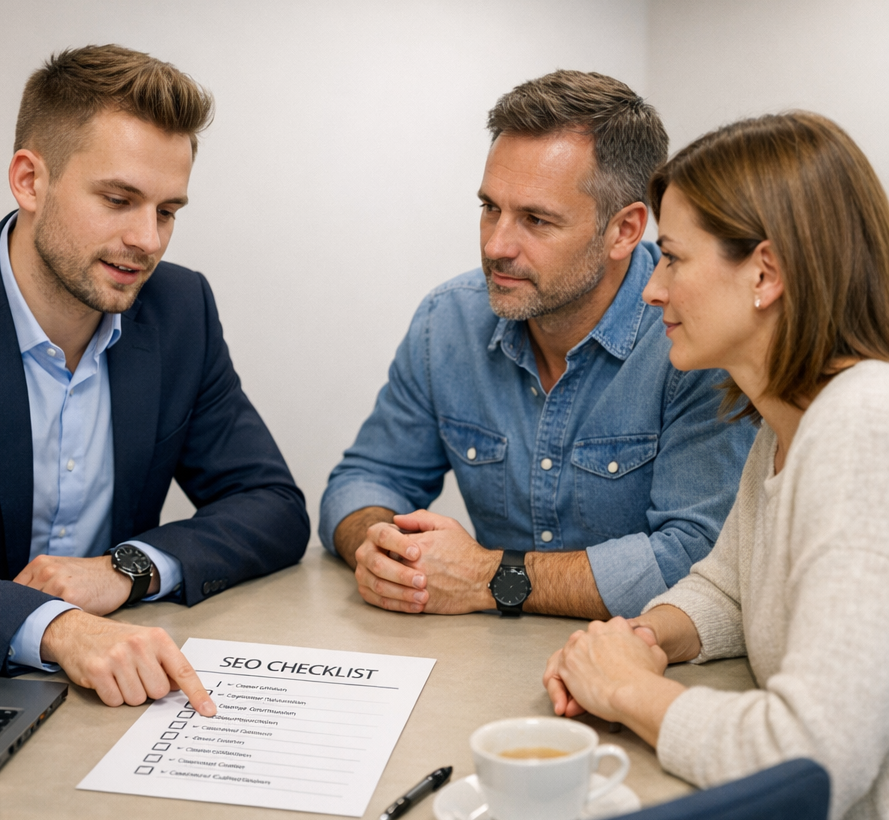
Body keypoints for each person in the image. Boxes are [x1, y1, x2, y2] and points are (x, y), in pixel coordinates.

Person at [0, 45, 310, 716]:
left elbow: (270, 504)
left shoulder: (180, 310)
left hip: (115, 698)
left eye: (168, 211)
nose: (149, 240)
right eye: (119, 199)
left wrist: (126, 570)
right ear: (28, 180)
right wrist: (60, 629)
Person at [543, 112, 889, 820]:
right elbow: (728, 586)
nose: (652, 289)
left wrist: (630, 693)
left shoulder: (863, 425)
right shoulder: (783, 427)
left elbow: (809, 763)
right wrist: (637, 639)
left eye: (673, 259)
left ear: (764, 272)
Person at [320, 71, 755, 621]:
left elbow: (700, 556)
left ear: (624, 230)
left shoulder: (690, 341)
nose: (497, 245)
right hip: (482, 665)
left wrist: (490, 577)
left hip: (636, 661)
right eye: (490, 208)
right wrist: (382, 548)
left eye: (536, 220)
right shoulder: (447, 320)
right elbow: (364, 479)